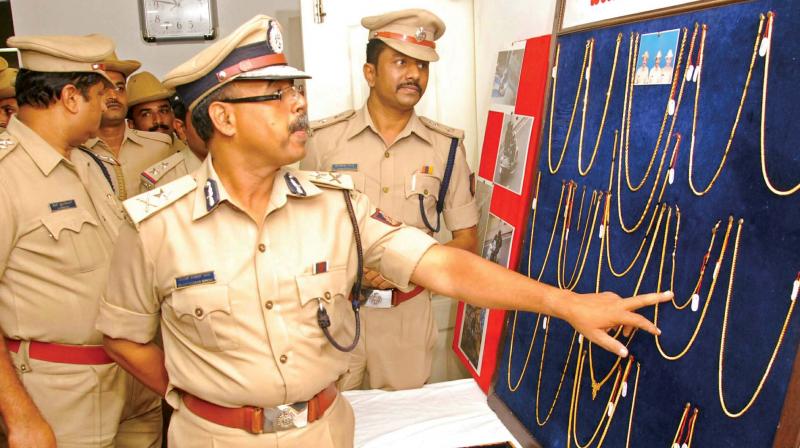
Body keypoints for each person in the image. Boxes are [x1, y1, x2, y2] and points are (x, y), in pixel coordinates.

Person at [97, 14, 671, 447]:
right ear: (222, 117)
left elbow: (442, 262)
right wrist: (208, 389)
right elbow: (121, 334)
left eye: (298, 89)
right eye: (278, 95)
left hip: (325, 431)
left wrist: (564, 304)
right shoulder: (154, 225)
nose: (299, 102)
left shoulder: (335, 206)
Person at [301, 9, 479, 391]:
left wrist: (410, 269)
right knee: (331, 426)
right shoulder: (322, 142)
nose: (414, 74)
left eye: (422, 65)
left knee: (405, 432)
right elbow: (298, 231)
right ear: (370, 72)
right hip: (336, 313)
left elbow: (467, 239)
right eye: (400, 62)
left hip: (407, 319)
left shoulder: (446, 148)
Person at [0, 33, 161, 448]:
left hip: (130, 379)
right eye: (99, 95)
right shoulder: (6, 174)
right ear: (71, 97)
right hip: (60, 397)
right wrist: (20, 417)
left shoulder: (89, 162)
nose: (108, 104)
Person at [83, 53, 174, 200]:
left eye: (119, 88)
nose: (113, 96)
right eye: (104, 88)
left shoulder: (159, 147)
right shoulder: (77, 152)